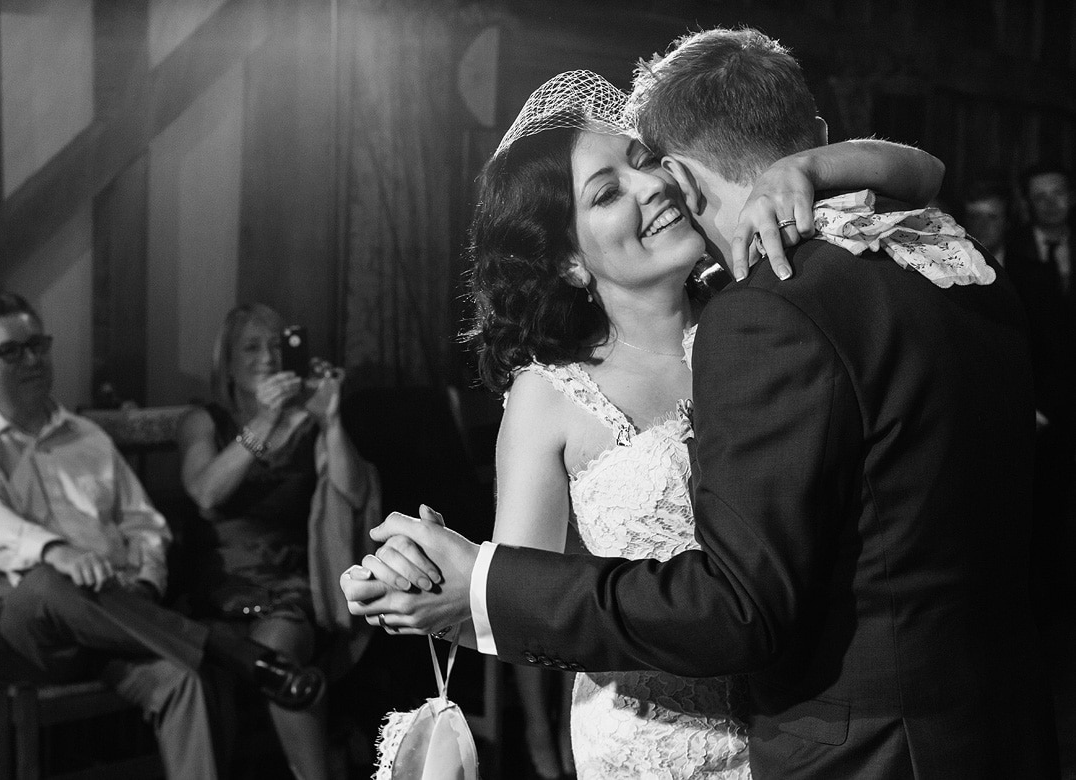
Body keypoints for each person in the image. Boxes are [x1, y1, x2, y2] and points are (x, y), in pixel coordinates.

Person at [341, 29, 1058, 780]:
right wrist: (432, 583)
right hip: (658, 738)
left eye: (646, 164)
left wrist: (806, 165)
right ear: (566, 260)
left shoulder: (756, 308)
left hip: (802, 723)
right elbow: (524, 598)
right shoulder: (551, 395)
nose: (651, 190)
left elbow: (919, 170)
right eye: (608, 193)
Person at [0, 292, 325, 780]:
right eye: (11, 351)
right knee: (50, 581)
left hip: (114, 621)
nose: (31, 360)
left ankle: (209, 654)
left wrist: (148, 583)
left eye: (38, 345)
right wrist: (56, 549)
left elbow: (143, 524)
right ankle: (228, 649)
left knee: (186, 680)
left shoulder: (86, 438)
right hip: (21, 633)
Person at [177, 302, 379, 780]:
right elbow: (205, 492)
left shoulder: (308, 423)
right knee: (225, 658)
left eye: (275, 344)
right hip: (216, 585)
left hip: (291, 585)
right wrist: (265, 421)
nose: (266, 356)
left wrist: (330, 420)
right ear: (227, 363)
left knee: (277, 652)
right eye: (251, 347)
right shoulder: (202, 422)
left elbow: (353, 495)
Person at [1003, 162, 1076, 774]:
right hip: (1051, 414)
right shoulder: (1020, 264)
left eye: (1060, 194)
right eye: (1041, 197)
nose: (1052, 205)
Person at [962, 176, 1011, 266]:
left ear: (1007, 222)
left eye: (992, 217)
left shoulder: (1031, 274)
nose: (982, 225)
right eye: (975, 217)